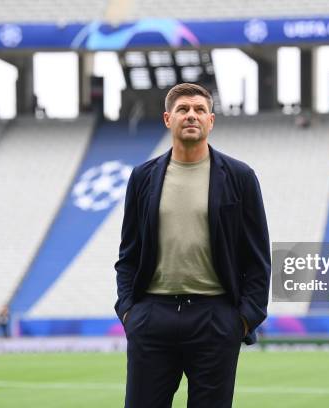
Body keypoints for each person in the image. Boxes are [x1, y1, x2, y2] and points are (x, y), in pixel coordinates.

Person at [114, 83, 270, 408]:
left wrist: (240, 321)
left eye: (200, 110)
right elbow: (128, 254)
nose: (191, 116)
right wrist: (130, 312)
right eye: (183, 109)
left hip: (215, 317)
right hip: (152, 316)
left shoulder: (240, 177)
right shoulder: (142, 178)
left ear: (211, 121)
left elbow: (258, 259)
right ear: (168, 119)